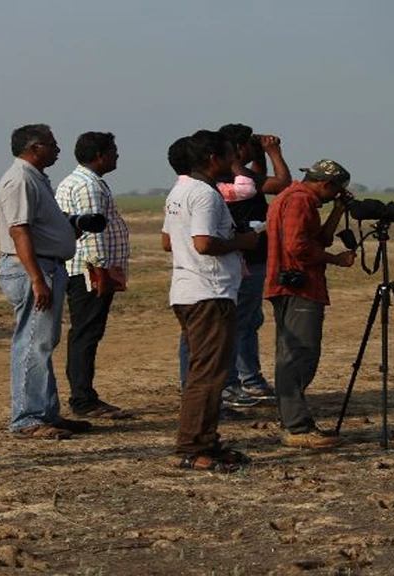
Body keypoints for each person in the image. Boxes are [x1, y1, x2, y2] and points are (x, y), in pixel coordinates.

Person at [162, 130, 259, 472]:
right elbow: (203, 243)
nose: (234, 162)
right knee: (208, 374)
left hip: (190, 290)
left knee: (206, 371)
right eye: (229, 155)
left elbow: (167, 240)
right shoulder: (204, 195)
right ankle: (192, 446)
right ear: (212, 159)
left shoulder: (180, 190)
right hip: (209, 292)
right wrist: (243, 242)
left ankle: (205, 439)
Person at [0, 124, 93, 440]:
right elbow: (18, 230)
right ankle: (27, 418)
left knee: (42, 342)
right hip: (34, 270)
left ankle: (46, 412)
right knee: (32, 342)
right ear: (35, 147)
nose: (57, 149)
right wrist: (37, 278)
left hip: (45, 267)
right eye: (52, 144)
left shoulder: (34, 178)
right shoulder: (20, 179)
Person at [265, 159, 356, 449]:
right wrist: (336, 260)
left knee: (293, 354)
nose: (334, 197)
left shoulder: (296, 198)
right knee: (299, 355)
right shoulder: (300, 201)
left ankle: (294, 419)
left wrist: (339, 211)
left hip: (292, 286)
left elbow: (320, 239)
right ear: (327, 185)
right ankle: (296, 427)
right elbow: (298, 248)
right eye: (336, 192)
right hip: (299, 286)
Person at [215, 124, 293, 407]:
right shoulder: (236, 178)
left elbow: (258, 178)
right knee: (241, 323)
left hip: (252, 258)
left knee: (248, 321)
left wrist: (258, 153)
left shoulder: (239, 176)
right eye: (248, 145)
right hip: (245, 260)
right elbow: (282, 184)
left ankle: (247, 378)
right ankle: (240, 380)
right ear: (236, 149)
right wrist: (274, 151)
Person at [55, 132, 130, 419]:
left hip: (83, 270)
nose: (117, 156)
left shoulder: (81, 181)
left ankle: (84, 394)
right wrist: (101, 274)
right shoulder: (88, 186)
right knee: (86, 334)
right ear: (100, 155)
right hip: (89, 272)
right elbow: (92, 234)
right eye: (113, 151)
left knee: (84, 333)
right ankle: (83, 399)